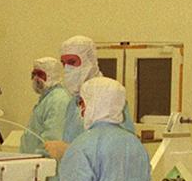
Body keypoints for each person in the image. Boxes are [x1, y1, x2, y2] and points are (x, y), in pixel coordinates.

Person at [43, 34, 134, 162]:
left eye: (72, 62)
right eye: (63, 63)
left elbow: (121, 151)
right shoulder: (73, 103)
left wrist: (70, 150)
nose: (67, 69)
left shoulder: (110, 98)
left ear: (89, 61)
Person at [18, 57, 71, 181]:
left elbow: (51, 140)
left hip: (50, 171)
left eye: (40, 75)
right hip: (38, 169)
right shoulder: (47, 99)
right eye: (34, 74)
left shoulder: (57, 100)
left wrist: (36, 160)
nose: (35, 79)